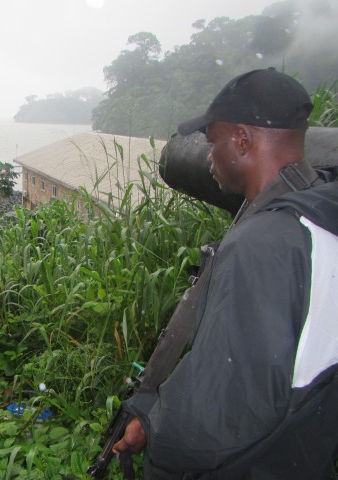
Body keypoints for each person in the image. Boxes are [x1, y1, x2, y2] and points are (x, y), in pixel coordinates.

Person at [113, 68, 338, 479]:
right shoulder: (319, 220)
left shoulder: (263, 246)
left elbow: (221, 413)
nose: (209, 157)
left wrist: (155, 427)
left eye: (212, 142)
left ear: (242, 141)